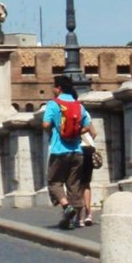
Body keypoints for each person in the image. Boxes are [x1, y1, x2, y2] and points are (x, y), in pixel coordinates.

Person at [42, 74, 90, 230]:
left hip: (59, 150)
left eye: (54, 86)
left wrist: (53, 131)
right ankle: (75, 219)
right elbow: (87, 126)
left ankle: (66, 207)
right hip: (77, 151)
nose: (52, 89)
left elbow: (45, 124)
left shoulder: (53, 104)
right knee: (74, 184)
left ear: (59, 88)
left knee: (54, 182)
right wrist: (75, 133)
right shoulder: (79, 105)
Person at [79, 121, 99, 227]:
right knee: (86, 183)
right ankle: (88, 214)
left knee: (73, 184)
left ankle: (79, 217)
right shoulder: (84, 113)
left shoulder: (65, 112)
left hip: (75, 150)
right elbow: (94, 133)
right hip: (88, 150)